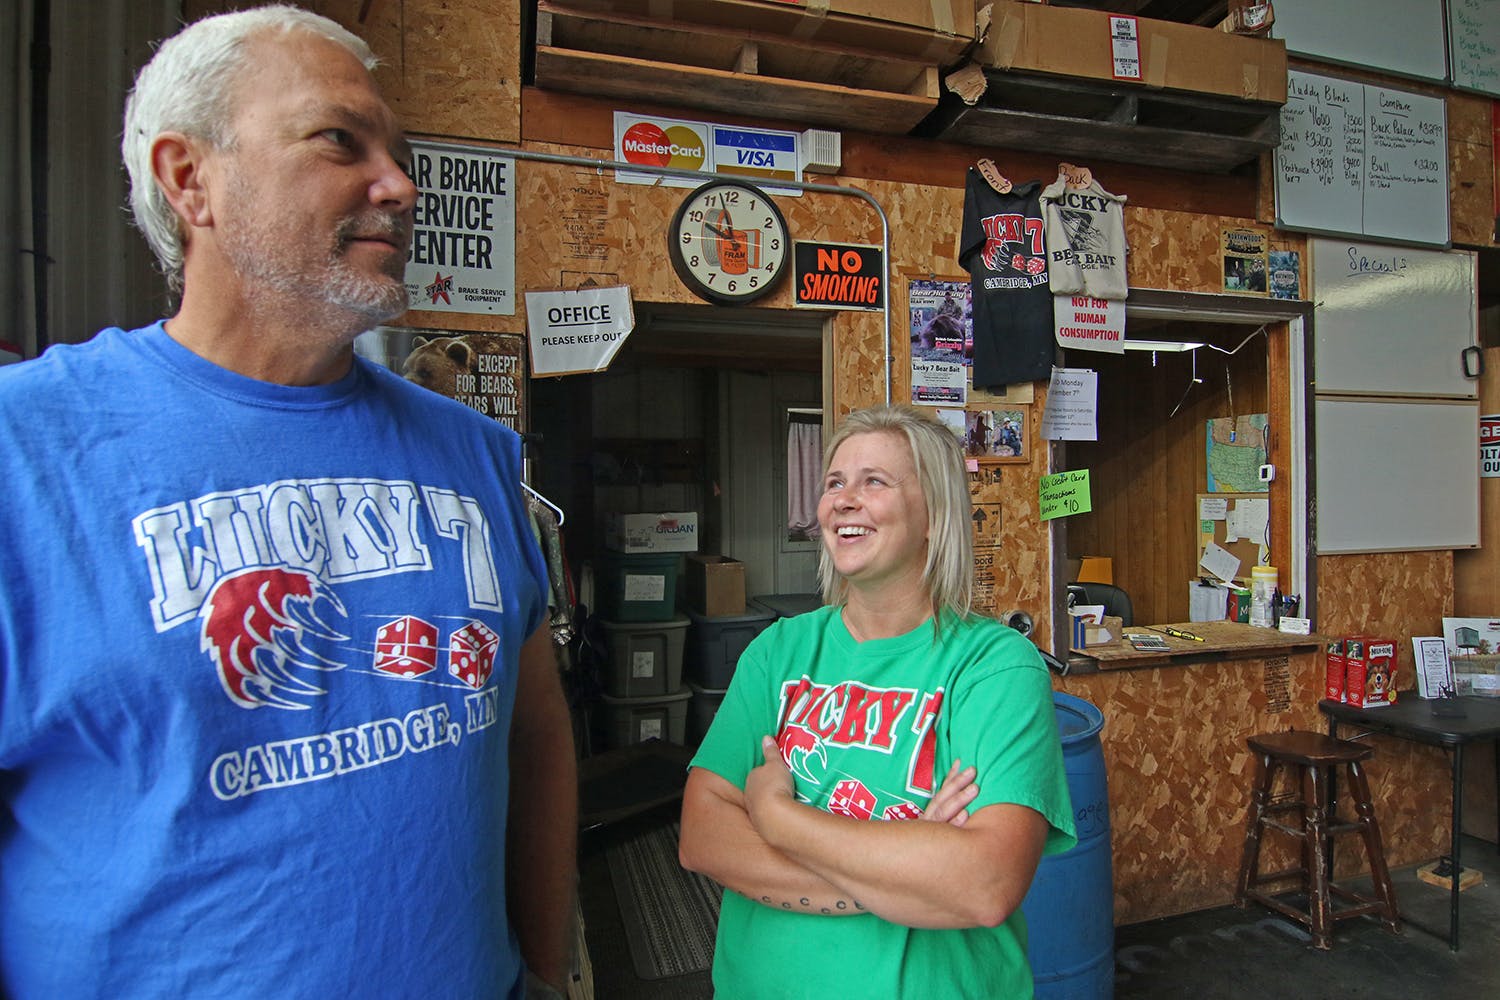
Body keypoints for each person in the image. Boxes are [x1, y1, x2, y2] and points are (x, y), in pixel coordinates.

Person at [0, 7, 576, 997]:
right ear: (190, 179)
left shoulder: (475, 453)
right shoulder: (27, 449)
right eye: (339, 141)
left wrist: (548, 972)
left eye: (399, 155)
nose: (400, 185)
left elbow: (536, 733)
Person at [680, 404, 1076, 999]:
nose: (843, 499)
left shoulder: (995, 667)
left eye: (874, 481)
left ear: (933, 514)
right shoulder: (777, 652)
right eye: (834, 482)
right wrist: (909, 868)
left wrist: (777, 816)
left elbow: (984, 883)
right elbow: (702, 835)